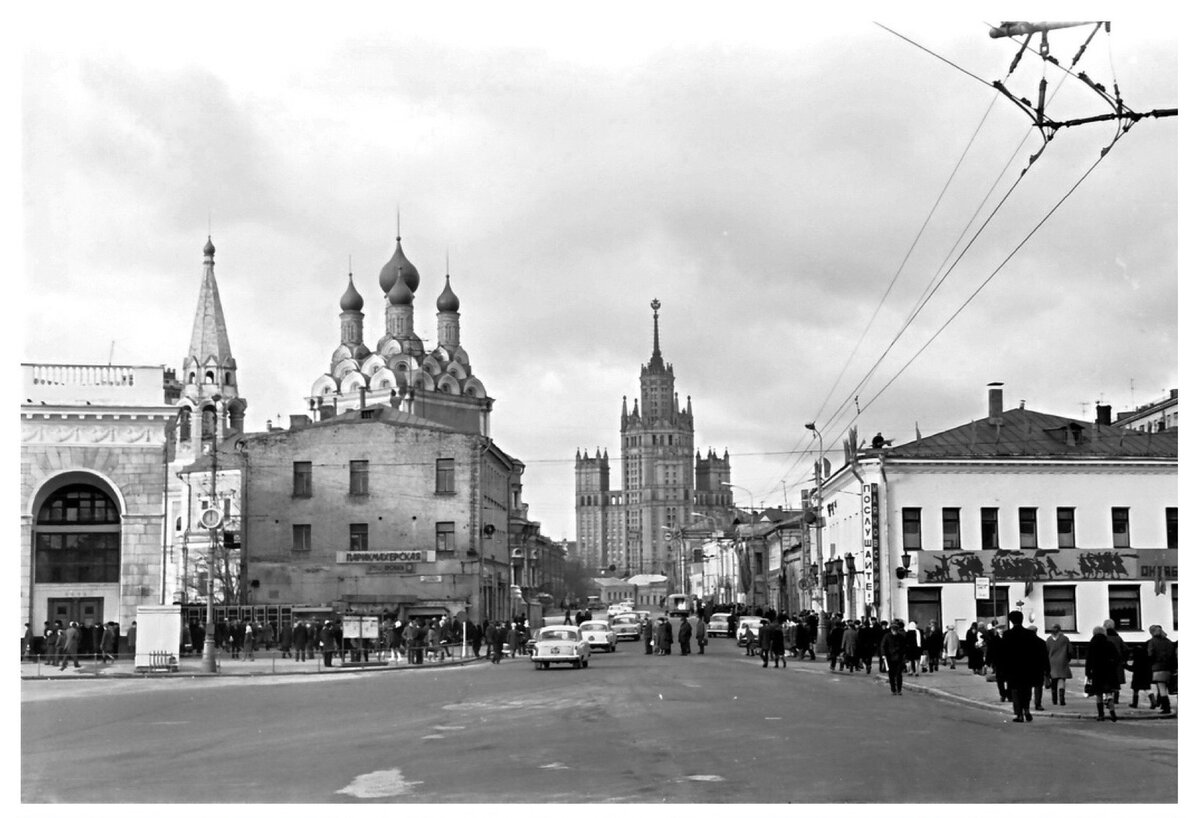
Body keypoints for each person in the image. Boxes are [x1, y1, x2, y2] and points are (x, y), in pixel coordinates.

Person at [1000, 610, 1044, 722]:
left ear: (1011, 621)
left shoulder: (1007, 635)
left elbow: (1004, 654)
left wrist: (1003, 670)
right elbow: (1035, 653)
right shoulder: (1030, 635)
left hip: (1013, 669)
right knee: (1026, 690)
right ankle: (1027, 710)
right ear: (1022, 619)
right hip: (1028, 668)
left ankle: (1019, 714)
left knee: (1015, 692)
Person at [1085, 625, 1121, 722]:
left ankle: (1101, 715)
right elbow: (1117, 657)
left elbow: (1089, 660)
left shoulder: (1092, 644)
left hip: (1097, 672)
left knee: (1098, 694)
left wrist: (1088, 673)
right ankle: (1112, 711)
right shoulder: (1109, 643)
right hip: (1109, 671)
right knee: (1109, 691)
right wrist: (1113, 665)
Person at [1145, 625, 1177, 715]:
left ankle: (1166, 707)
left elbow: (1150, 654)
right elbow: (1173, 655)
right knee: (1166, 686)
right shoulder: (1168, 642)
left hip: (1158, 667)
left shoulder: (1152, 642)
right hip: (1169, 667)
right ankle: (1164, 705)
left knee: (1162, 689)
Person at [1103, 619, 1129, 705]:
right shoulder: (1118, 638)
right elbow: (1126, 649)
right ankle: (1116, 698)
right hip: (1117, 662)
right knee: (1117, 680)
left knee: (1106, 679)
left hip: (1106, 662)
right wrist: (1124, 660)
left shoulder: (1104, 637)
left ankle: (1107, 697)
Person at [1045, 623, 1072, 706]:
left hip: (1052, 662)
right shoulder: (1065, 639)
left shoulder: (1048, 640)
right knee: (1061, 680)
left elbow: (1046, 652)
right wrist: (1068, 659)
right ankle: (1061, 697)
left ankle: (1054, 699)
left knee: (1053, 681)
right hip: (1063, 661)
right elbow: (1070, 651)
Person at [880, 619, 908, 695]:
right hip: (889, 658)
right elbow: (883, 646)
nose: (895, 632)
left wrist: (904, 656)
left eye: (896, 630)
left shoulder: (901, 637)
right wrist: (883, 655)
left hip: (899, 658)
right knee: (891, 674)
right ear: (891, 630)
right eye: (893, 630)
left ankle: (899, 689)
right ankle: (893, 689)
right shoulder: (887, 636)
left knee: (899, 674)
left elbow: (904, 647)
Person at [1126, 642, 1152, 709]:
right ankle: (1153, 701)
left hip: (1137, 676)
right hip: (1146, 675)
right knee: (1147, 689)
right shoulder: (1146, 659)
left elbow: (1133, 668)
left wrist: (1125, 666)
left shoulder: (1137, 659)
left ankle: (1135, 703)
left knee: (1135, 690)